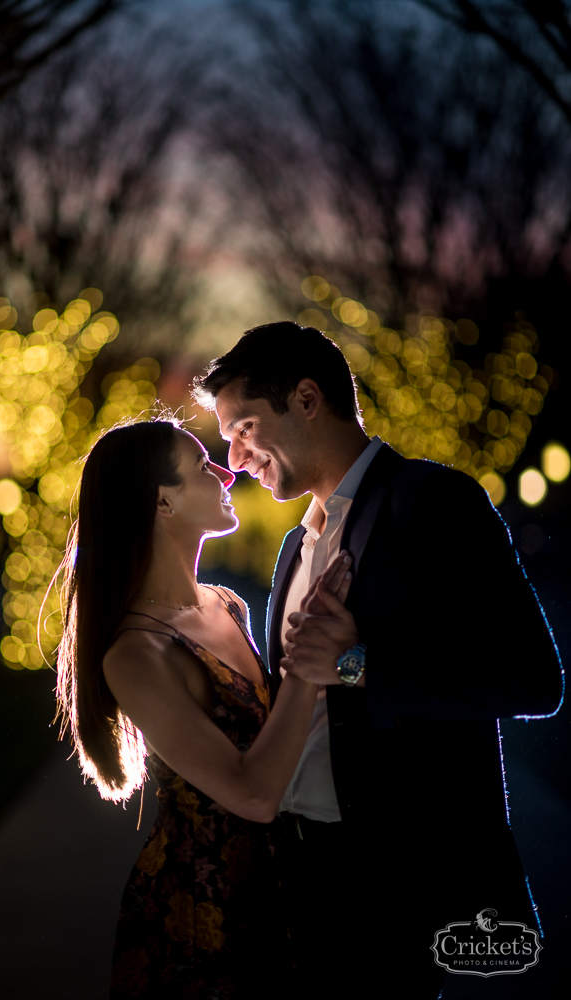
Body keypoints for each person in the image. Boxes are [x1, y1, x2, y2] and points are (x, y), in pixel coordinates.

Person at [193, 321, 563, 998]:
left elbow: (532, 678)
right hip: (304, 879)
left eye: (243, 427)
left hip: (403, 885)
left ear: (307, 399)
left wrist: (359, 663)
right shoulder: (296, 548)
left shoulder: (433, 503)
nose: (235, 457)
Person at [54, 417, 353, 999]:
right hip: (199, 913)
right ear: (163, 502)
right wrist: (306, 666)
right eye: (200, 467)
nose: (225, 471)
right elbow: (251, 794)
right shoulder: (136, 653)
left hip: (278, 890)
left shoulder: (225, 604)